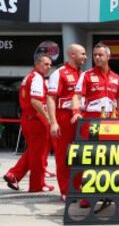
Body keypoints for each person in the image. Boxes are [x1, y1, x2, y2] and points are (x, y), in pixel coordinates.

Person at [71, 43, 119, 207]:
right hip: (91, 120)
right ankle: (87, 195)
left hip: (111, 122)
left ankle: (108, 191)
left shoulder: (117, 77)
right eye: (95, 55)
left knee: (109, 158)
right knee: (91, 158)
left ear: (108, 56)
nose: (97, 57)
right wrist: (76, 112)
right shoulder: (86, 75)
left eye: (100, 55)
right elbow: (77, 96)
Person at [3, 54, 54, 192]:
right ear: (37, 64)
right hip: (36, 119)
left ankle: (13, 175)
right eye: (46, 64)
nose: (49, 67)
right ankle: (37, 185)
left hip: (29, 119)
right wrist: (49, 118)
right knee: (38, 154)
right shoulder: (37, 78)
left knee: (34, 151)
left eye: (50, 64)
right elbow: (36, 101)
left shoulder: (29, 77)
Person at [47, 44, 87, 201]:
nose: (85, 56)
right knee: (64, 155)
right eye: (82, 54)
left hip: (80, 117)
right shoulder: (59, 74)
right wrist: (53, 122)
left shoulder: (83, 74)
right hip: (63, 117)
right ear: (72, 54)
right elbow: (50, 98)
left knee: (80, 155)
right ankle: (65, 190)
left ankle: (78, 187)